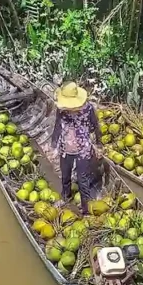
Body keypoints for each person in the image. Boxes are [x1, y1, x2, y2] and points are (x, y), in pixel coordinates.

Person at [51, 82, 102, 214]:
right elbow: (57, 126)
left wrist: (98, 145)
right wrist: (54, 145)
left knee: (82, 180)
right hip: (65, 147)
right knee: (65, 174)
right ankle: (65, 196)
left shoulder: (88, 109)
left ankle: (85, 209)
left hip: (83, 150)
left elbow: (96, 127)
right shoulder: (61, 109)